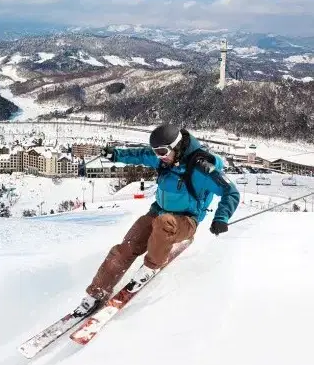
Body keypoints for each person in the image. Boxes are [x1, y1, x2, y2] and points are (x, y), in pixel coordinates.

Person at [74, 124, 240, 316]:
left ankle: (151, 265)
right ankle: (96, 292)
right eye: (156, 152)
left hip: (187, 220)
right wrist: (116, 154)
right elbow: (139, 155)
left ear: (176, 147)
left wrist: (221, 217)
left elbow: (231, 191)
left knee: (164, 224)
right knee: (127, 246)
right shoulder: (164, 160)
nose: (159, 156)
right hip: (158, 212)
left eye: (162, 151)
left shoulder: (200, 168)